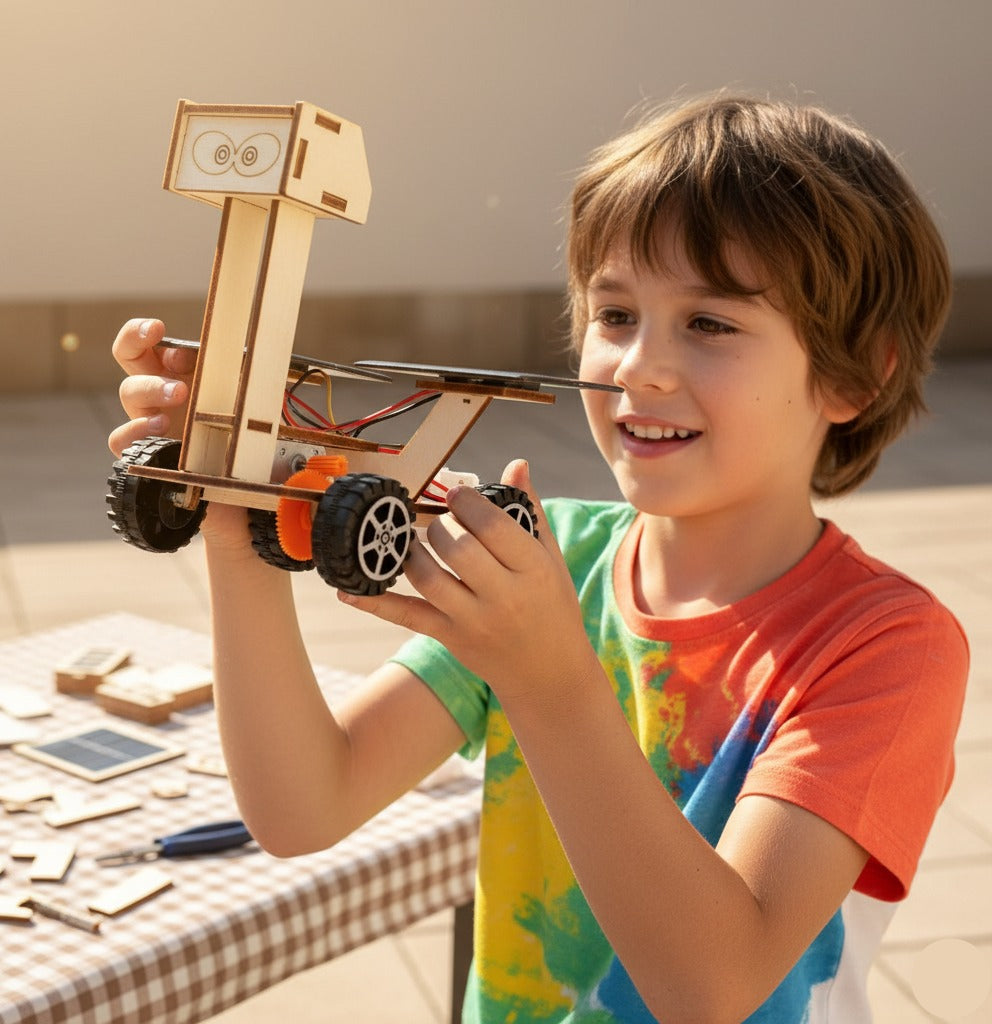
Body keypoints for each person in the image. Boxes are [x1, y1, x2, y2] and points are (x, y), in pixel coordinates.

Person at [109, 94, 969, 1023]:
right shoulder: (555, 561)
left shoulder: (886, 649)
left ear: (853, 373)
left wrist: (550, 679)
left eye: (710, 324)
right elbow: (303, 804)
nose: (640, 365)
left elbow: (712, 988)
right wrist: (242, 514)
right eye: (615, 313)